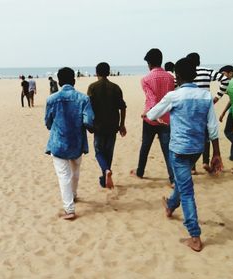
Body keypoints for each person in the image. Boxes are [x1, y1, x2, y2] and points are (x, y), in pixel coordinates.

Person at [146, 58, 223, 252]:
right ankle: (171, 205)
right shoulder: (205, 96)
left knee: (187, 190)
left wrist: (168, 116)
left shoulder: (174, 96)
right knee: (184, 182)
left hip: (179, 149)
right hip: (198, 148)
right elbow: (212, 127)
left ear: (177, 76)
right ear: (195, 75)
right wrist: (216, 153)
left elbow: (152, 115)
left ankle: (194, 236)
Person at [45, 67, 94, 220]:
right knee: (75, 172)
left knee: (63, 175)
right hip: (77, 142)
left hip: (58, 142)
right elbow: (89, 121)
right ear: (74, 80)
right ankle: (73, 195)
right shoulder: (84, 99)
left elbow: (47, 122)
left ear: (59, 82)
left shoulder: (52, 99)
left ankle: (69, 208)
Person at [130, 49, 175, 187]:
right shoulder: (170, 78)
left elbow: (152, 99)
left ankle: (140, 171)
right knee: (167, 149)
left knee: (145, 146)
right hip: (167, 117)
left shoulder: (145, 79)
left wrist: (149, 113)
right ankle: (173, 178)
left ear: (149, 63)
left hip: (151, 118)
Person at [186, 52, 229, 174]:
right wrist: (217, 97)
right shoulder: (206, 71)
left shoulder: (187, 72)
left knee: (191, 136)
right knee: (207, 136)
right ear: (199, 61)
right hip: (205, 106)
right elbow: (225, 80)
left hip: (190, 108)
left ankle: (192, 167)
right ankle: (205, 162)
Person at [87, 62, 127, 189]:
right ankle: (105, 177)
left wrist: (88, 124)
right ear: (109, 72)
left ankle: (105, 171)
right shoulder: (115, 87)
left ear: (96, 73)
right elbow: (123, 107)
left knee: (99, 152)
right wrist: (122, 124)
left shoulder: (92, 87)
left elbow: (88, 108)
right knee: (109, 152)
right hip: (113, 125)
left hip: (98, 126)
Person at [217, 65, 233, 162]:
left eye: (223, 74)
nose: (221, 77)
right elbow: (232, 99)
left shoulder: (230, 83)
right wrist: (223, 112)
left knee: (228, 132)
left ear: (231, 73)